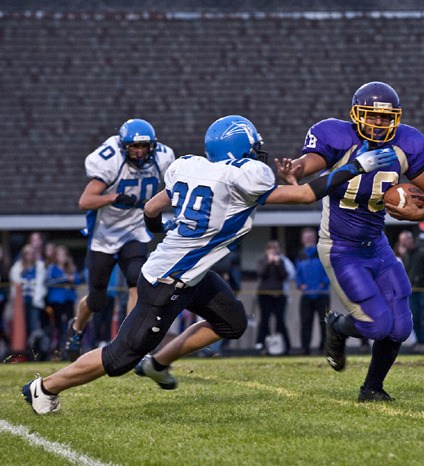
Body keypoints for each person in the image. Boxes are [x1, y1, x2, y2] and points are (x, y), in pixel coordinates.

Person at [22, 114, 396, 413]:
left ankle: (160, 363)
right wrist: (355, 166)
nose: (257, 156)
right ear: (239, 151)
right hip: (169, 279)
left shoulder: (190, 166)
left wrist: (161, 231)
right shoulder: (242, 177)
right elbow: (304, 194)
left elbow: (152, 208)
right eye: (252, 149)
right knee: (120, 357)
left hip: (190, 271)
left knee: (230, 321)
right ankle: (44, 387)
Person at [277, 81, 424, 401]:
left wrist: (417, 214)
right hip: (340, 247)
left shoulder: (407, 143)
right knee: (375, 323)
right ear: (356, 114)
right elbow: (310, 161)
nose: (379, 123)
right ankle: (338, 327)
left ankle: (372, 388)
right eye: (371, 115)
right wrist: (297, 169)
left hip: (377, 243)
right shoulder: (335, 136)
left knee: (400, 326)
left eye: (385, 118)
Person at [64, 119, 175, 361]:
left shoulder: (163, 158)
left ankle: (128, 342)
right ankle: (76, 330)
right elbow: (85, 200)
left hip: (134, 230)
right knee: (96, 300)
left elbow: (175, 187)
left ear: (152, 147)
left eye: (144, 147)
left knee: (137, 282)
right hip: (104, 236)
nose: (139, 152)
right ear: (123, 146)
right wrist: (114, 198)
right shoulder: (110, 160)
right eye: (133, 147)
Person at [295, 227, 330, 355]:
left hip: (322, 294)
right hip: (306, 295)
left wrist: (324, 283)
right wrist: (300, 285)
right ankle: (305, 348)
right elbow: (297, 273)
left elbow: (329, 270)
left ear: (315, 238)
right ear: (303, 239)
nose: (309, 239)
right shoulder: (300, 255)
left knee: (324, 323)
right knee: (305, 323)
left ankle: (324, 347)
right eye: (306, 237)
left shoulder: (321, 252)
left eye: (311, 237)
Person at [9, 244, 47, 360]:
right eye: (27, 253)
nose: (30, 255)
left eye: (31, 253)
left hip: (35, 302)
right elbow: (14, 284)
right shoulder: (18, 267)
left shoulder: (39, 266)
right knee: (22, 328)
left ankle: (35, 352)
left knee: (34, 328)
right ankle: (23, 352)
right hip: (21, 303)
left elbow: (41, 285)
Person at [255, 240, 293, 355]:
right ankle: (261, 345)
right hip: (264, 295)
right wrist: (268, 263)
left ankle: (284, 346)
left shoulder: (281, 261)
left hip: (279, 295)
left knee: (280, 321)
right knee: (264, 320)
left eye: (275, 249)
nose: (273, 251)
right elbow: (261, 274)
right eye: (271, 249)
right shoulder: (262, 260)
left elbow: (285, 276)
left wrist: (277, 264)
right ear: (267, 250)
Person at [396, 230, 424, 354]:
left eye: (405, 241)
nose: (403, 244)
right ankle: (418, 342)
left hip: (422, 289)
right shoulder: (404, 256)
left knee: (423, 317)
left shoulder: (421, 252)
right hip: (410, 290)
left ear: (411, 239)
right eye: (401, 242)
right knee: (414, 317)